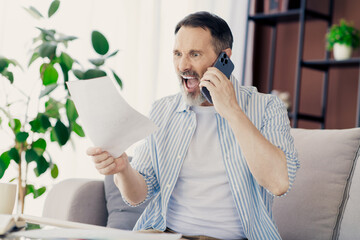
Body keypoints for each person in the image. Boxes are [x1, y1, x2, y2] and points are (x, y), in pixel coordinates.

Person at [87, 11, 299, 240]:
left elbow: (279, 183)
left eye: (194, 54)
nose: (182, 65)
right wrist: (123, 169)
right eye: (177, 54)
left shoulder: (267, 107)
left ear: (224, 57)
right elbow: (138, 195)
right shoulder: (163, 110)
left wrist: (231, 110)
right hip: (164, 234)